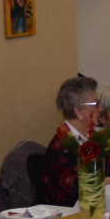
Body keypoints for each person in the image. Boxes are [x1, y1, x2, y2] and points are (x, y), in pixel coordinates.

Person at [42, 76, 100, 206]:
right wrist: (103, 182)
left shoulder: (92, 137)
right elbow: (73, 190)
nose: (100, 109)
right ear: (79, 111)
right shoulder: (61, 146)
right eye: (95, 104)